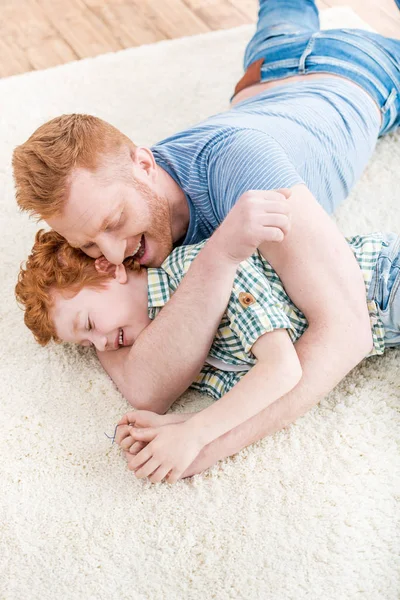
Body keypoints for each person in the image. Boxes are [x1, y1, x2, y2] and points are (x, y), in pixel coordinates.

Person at [12, 1, 400, 479]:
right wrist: (217, 255)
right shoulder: (102, 238)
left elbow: (348, 330)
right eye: (90, 246)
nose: (114, 255)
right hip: (262, 72)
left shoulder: (243, 174)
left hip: (362, 69)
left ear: (144, 164)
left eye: (114, 223)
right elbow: (144, 386)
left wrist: (204, 443)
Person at [15, 223, 399, 483]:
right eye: (86, 345)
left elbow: (283, 369)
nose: (101, 346)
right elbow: (252, 396)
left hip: (382, 280)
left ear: (108, 269)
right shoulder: (172, 348)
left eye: (89, 325)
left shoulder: (195, 269)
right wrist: (174, 427)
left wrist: (195, 433)